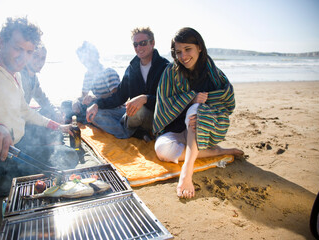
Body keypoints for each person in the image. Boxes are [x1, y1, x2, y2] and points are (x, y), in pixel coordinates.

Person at [0, 17, 79, 181]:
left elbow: (25, 111)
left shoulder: (15, 74)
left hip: (18, 143)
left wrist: (57, 126)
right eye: (18, 49)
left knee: (57, 139)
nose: (24, 57)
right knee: (69, 156)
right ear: (1, 42)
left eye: (29, 52)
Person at [153, 27, 244, 199]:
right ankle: (218, 151)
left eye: (188, 49)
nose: (183, 56)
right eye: (178, 52)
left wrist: (203, 102)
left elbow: (227, 99)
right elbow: (164, 103)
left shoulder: (213, 73)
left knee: (196, 111)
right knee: (161, 150)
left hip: (200, 127)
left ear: (199, 47)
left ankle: (186, 173)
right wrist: (191, 98)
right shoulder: (170, 72)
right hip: (176, 128)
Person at [86, 27, 169, 140]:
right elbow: (118, 97)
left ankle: (130, 130)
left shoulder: (165, 67)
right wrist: (96, 104)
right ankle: (134, 133)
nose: (139, 47)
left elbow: (169, 102)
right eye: (135, 44)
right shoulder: (132, 68)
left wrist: (145, 99)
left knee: (138, 110)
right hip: (133, 114)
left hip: (155, 116)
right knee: (96, 115)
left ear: (152, 43)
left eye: (143, 43)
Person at [70, 41, 120, 124]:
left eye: (88, 56)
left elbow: (117, 94)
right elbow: (83, 95)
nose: (85, 60)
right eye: (82, 58)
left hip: (111, 108)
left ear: (96, 55)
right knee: (66, 104)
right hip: (95, 105)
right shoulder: (88, 75)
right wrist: (75, 101)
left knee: (96, 115)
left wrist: (95, 98)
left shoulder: (108, 72)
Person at [20, 44, 63, 122]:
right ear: (27, 56)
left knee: (52, 112)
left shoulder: (34, 79)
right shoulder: (19, 76)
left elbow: (44, 101)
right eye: (35, 56)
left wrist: (56, 111)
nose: (39, 61)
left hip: (24, 117)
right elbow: (20, 110)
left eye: (43, 58)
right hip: (15, 124)